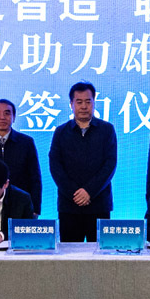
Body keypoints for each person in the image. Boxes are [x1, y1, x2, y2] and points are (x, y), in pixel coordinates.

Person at [48, 81, 117, 242]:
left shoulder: (107, 130)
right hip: (69, 205)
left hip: (99, 204)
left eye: (88, 101)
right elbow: (55, 166)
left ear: (94, 103)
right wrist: (74, 193)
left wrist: (89, 191)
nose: (84, 106)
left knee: (100, 254)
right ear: (71, 104)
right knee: (69, 254)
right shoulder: (61, 132)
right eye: (79, 102)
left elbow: (110, 164)